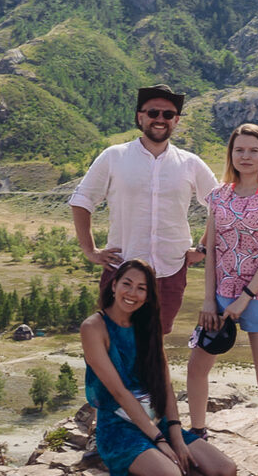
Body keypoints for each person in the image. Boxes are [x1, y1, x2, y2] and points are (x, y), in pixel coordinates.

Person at [70, 84, 217, 336]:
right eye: (153, 113)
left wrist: (203, 247)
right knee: (113, 341)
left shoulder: (190, 164)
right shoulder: (114, 156)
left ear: (176, 121)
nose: (160, 119)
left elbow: (220, 205)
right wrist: (90, 250)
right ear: (140, 117)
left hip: (170, 271)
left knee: (154, 345)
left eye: (168, 115)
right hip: (122, 269)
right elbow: (82, 200)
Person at [82, 259, 238, 476]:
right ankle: (132, 469)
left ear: (148, 295)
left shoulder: (147, 324)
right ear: (113, 285)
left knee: (225, 473)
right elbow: (119, 393)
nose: (132, 293)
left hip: (157, 421)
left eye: (141, 288)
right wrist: (161, 441)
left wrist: (174, 434)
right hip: (119, 427)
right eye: (127, 284)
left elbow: (164, 385)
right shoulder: (93, 327)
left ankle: (158, 462)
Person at [185, 123, 258, 472]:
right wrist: (208, 300)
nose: (245, 156)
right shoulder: (218, 196)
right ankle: (197, 436)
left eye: (253, 151)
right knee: (197, 367)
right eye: (239, 150)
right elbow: (211, 249)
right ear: (231, 154)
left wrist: (244, 298)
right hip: (219, 294)